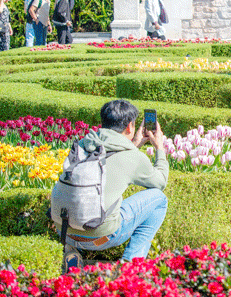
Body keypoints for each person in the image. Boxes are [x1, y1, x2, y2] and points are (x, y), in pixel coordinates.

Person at [55, 99, 169, 270]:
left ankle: (72, 252)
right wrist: (159, 148)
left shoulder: (82, 144)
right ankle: (131, 266)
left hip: (64, 232)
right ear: (130, 126)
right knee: (159, 199)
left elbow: (109, 157)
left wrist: (133, 145)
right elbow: (159, 182)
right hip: (102, 238)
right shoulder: (131, 157)